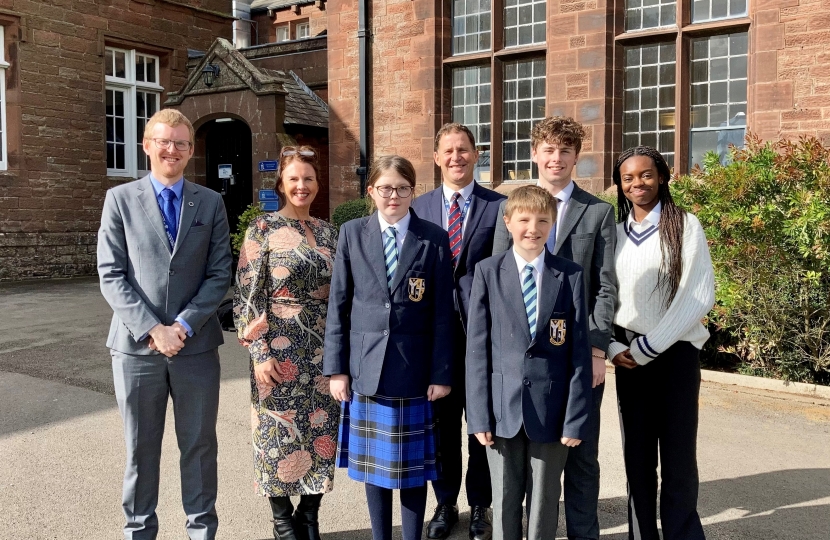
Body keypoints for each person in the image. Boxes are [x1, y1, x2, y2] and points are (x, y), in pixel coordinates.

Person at [97, 108, 232, 540]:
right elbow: (111, 274)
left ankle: (201, 532)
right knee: (141, 449)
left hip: (195, 349)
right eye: (163, 140)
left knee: (198, 447)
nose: (171, 149)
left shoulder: (210, 202)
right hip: (137, 349)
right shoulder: (120, 200)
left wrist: (185, 325)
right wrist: (153, 329)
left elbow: (219, 273)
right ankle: (138, 531)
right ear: (146, 145)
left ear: (191, 151)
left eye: (180, 142)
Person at [491, 116, 616, 540]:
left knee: (580, 452)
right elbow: (495, 280)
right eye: (548, 149)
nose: (556, 158)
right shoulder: (508, 208)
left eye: (565, 151)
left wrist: (598, 350)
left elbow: (604, 284)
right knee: (517, 459)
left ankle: (583, 533)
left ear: (576, 157)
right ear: (535, 154)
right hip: (520, 362)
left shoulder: (597, 212)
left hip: (576, 356)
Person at [323, 155, 455, 540]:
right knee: (374, 470)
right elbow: (339, 305)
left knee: (413, 471)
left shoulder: (434, 237)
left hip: (414, 372)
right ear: (371, 192)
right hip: (366, 370)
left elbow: (443, 314)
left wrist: (440, 373)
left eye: (402, 188)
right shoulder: (350, 232)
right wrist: (337, 369)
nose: (393, 196)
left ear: (413, 191)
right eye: (385, 188)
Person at [466, 185, 592, 540]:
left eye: (542, 220)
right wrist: (478, 415)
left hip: (552, 410)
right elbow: (476, 352)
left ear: (552, 224)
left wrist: (575, 418)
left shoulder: (570, 275)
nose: (532, 228)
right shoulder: (487, 272)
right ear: (508, 222)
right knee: (504, 498)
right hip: (501, 411)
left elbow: (578, 353)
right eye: (523, 219)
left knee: (544, 500)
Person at [609, 146, 715, 540]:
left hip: (674, 355)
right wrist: (613, 344)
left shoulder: (686, 226)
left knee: (678, 457)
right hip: (628, 357)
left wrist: (649, 347)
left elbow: (696, 294)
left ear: (663, 176)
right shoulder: (615, 234)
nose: (638, 183)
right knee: (636, 459)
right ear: (620, 185)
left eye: (646, 174)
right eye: (628, 178)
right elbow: (601, 295)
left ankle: (682, 533)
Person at [234, 146, 339, 540]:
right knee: (276, 435)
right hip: (277, 349)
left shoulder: (330, 231)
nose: (301, 185)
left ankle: (309, 516)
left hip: (322, 351)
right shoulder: (261, 229)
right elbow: (246, 295)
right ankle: (282, 522)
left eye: (308, 179)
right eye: (294, 178)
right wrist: (259, 354)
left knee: (321, 434)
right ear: (281, 183)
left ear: (317, 184)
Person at [411, 123, 505, 540]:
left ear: (476, 154)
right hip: (435, 339)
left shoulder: (499, 206)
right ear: (436, 157)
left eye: (463, 149)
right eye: (448, 150)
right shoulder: (419, 207)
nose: (456, 157)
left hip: (483, 335)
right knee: (443, 426)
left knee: (482, 424)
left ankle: (481, 505)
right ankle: (446, 502)